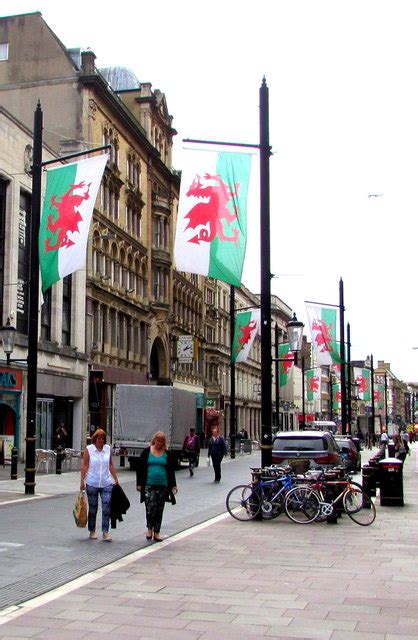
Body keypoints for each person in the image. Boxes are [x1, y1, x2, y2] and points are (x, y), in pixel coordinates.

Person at [136, 431, 178, 542]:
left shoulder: (166, 454)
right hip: (149, 484)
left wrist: (173, 485)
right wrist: (139, 483)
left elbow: (170, 471)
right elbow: (140, 468)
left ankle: (157, 532)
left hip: (163, 485)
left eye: (161, 441)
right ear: (154, 440)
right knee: (150, 507)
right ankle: (149, 529)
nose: (159, 443)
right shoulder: (147, 452)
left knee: (159, 509)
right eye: (158, 441)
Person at [80, 428, 119, 541]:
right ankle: (92, 530)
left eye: (102, 438)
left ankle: (105, 531)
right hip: (92, 482)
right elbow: (85, 466)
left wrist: (115, 478)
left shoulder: (107, 449)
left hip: (106, 482)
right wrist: (82, 481)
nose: (101, 440)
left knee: (106, 507)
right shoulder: (89, 450)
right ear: (95, 439)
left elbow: (110, 464)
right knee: (93, 508)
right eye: (99, 438)